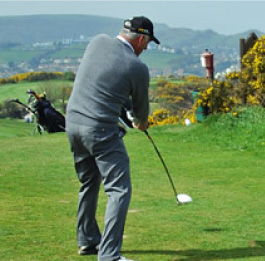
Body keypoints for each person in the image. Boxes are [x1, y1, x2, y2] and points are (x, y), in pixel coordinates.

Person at [66, 16, 159, 261]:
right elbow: (140, 114)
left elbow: (105, 80)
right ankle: (109, 255)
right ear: (141, 39)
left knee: (89, 182)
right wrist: (141, 122)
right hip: (100, 130)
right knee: (119, 190)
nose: (147, 48)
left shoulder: (97, 42)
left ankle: (87, 240)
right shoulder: (137, 67)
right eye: (147, 42)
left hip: (73, 124)